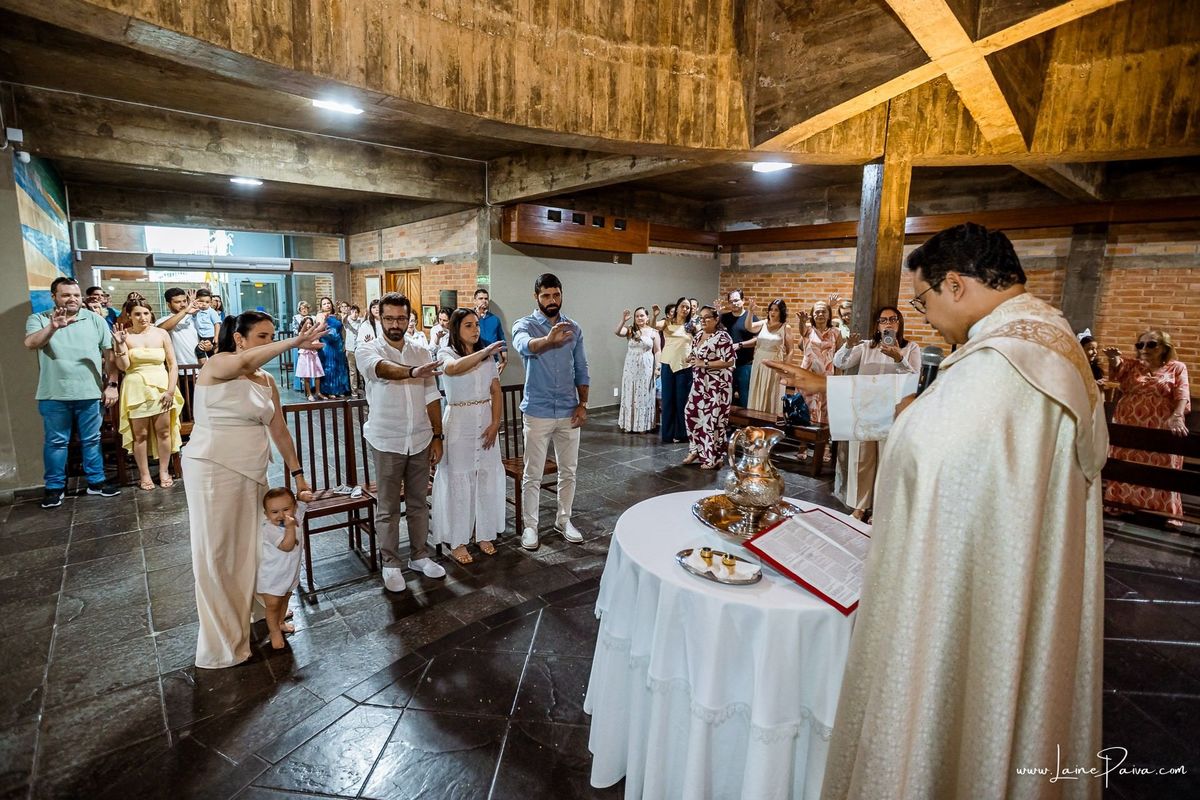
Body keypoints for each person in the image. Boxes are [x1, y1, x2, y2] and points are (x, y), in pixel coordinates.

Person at [767, 223, 1107, 799]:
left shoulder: (1006, 359)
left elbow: (930, 444)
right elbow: (936, 408)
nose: (924, 318)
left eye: (922, 301)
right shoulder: (1043, 336)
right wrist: (828, 387)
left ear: (954, 284)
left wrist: (902, 424)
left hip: (975, 580)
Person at [182, 311, 323, 668]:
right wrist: (294, 342)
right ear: (239, 339)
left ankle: (261, 615)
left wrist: (298, 473)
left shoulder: (266, 380)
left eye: (273, 336)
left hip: (253, 470)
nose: (269, 343)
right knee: (219, 553)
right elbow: (243, 362)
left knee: (254, 547)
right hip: (213, 468)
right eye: (262, 337)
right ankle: (224, 639)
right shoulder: (218, 364)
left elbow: (279, 430)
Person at [354, 292, 447, 590]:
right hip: (386, 439)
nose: (395, 324)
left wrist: (437, 435)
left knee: (419, 502)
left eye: (401, 318)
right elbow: (382, 369)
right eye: (389, 318)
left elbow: (431, 395)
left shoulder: (421, 350)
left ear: (409, 318)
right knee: (388, 507)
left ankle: (419, 556)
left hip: (420, 437)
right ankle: (391, 563)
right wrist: (412, 372)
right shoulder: (367, 349)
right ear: (379, 318)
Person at [24, 277, 122, 508]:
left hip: (90, 392)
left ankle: (96, 482)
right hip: (54, 393)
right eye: (66, 295)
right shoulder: (39, 318)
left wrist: (112, 384)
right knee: (56, 442)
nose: (72, 299)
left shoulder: (95, 319)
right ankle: (55, 488)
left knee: (92, 439)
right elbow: (31, 343)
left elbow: (109, 355)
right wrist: (53, 327)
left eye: (76, 295)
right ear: (54, 297)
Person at [511, 273, 589, 550]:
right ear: (536, 297)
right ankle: (530, 527)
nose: (552, 300)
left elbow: (581, 367)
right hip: (538, 410)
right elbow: (523, 345)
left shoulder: (573, 328)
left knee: (569, 471)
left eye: (556, 295)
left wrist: (583, 404)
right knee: (533, 473)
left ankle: (563, 519)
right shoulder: (525, 324)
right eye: (546, 295)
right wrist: (547, 340)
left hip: (569, 410)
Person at [430, 308, 506, 564]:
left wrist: (495, 423)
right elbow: (453, 369)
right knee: (458, 479)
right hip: (459, 422)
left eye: (477, 325)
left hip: (484, 419)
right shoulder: (446, 352)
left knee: (485, 476)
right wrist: (485, 352)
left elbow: (496, 391)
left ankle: (484, 533)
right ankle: (458, 540)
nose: (475, 330)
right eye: (468, 325)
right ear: (456, 328)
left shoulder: (486, 356)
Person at [830, 306, 919, 519]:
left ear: (899, 323)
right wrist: (848, 346)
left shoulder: (910, 348)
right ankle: (860, 507)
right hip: (866, 408)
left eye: (893, 319)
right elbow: (839, 362)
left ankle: (880, 509)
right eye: (883, 320)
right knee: (861, 459)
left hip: (893, 411)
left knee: (887, 460)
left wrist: (899, 359)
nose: (888, 323)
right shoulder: (866, 346)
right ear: (877, 325)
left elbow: (914, 378)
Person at [1103, 330, 1191, 521]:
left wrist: (1177, 415)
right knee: (1126, 460)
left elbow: (1182, 393)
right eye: (1140, 345)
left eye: (1151, 344)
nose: (1144, 348)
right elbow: (1117, 370)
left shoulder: (1177, 367)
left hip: (1161, 422)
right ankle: (1120, 503)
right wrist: (1113, 359)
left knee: (1162, 462)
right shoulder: (1132, 365)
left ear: (1165, 347)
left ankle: (1163, 510)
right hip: (1129, 420)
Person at [112, 299, 185, 491]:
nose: (142, 317)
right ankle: (144, 474)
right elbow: (124, 367)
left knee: (164, 431)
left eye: (145, 313)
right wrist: (120, 345)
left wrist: (170, 390)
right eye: (137, 314)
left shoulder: (161, 333)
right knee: (140, 434)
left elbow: (172, 364)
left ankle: (163, 471)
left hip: (161, 386)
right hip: (136, 387)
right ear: (129, 315)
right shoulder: (125, 335)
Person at [258, 486, 314, 650]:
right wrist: (290, 528)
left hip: (290, 573)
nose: (281, 515)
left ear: (294, 508)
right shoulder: (269, 528)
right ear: (266, 514)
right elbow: (287, 546)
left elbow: (303, 501)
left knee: (285, 599)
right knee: (273, 605)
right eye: (274, 512)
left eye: (286, 509)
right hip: (272, 577)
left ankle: (281, 622)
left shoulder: (296, 515)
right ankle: (274, 632)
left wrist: (302, 495)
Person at [682, 307, 735, 469]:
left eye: (707, 318)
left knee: (712, 420)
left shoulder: (723, 337)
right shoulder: (698, 335)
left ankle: (713, 457)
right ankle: (696, 450)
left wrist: (704, 363)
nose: (703, 321)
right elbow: (696, 355)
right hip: (699, 383)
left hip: (717, 385)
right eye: (701, 318)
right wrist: (691, 358)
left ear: (716, 319)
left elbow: (729, 361)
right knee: (690, 414)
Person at [652, 299, 693, 443]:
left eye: (688, 307)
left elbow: (702, 336)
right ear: (677, 308)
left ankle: (682, 434)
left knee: (682, 401)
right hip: (668, 364)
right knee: (668, 400)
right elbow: (653, 326)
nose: (685, 309)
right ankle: (668, 434)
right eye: (683, 306)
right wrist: (655, 316)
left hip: (684, 366)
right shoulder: (667, 323)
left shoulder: (691, 325)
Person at [744, 298, 793, 416]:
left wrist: (785, 369)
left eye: (776, 310)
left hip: (775, 363)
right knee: (757, 390)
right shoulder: (763, 323)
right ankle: (755, 420)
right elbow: (749, 327)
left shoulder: (785, 327)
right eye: (771, 309)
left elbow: (790, 350)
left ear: (781, 312)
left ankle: (771, 421)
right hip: (759, 362)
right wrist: (750, 312)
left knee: (772, 392)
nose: (773, 312)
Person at [615, 307, 660, 433]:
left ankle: (642, 425)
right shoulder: (631, 330)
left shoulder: (653, 332)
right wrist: (623, 320)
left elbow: (657, 351)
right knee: (630, 393)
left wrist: (658, 367)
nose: (639, 318)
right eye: (637, 316)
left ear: (647, 317)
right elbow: (617, 332)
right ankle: (629, 424)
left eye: (642, 315)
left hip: (646, 367)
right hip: (630, 367)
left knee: (644, 395)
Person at [798, 299, 842, 425]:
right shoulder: (808, 330)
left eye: (823, 312)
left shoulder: (836, 332)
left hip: (827, 376)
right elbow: (801, 334)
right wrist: (802, 322)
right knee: (806, 407)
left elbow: (839, 357)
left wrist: (838, 377)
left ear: (829, 315)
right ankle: (804, 435)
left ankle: (821, 435)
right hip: (808, 375)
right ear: (812, 315)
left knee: (824, 409)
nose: (820, 314)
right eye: (817, 312)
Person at [718, 289, 758, 408]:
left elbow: (758, 340)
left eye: (736, 300)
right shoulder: (723, 317)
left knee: (745, 399)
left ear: (743, 300)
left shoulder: (751, 317)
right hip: (725, 365)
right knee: (725, 399)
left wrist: (740, 345)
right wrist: (717, 312)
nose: (734, 304)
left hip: (744, 365)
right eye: (731, 301)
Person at [314, 296, 350, 396]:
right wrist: (325, 319)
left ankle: (340, 389)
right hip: (327, 343)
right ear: (321, 306)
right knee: (329, 366)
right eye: (324, 304)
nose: (327, 305)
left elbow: (342, 329)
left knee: (339, 366)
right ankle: (329, 391)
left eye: (328, 303)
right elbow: (320, 329)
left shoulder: (336, 316)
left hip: (338, 343)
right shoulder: (320, 315)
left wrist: (344, 342)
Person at [157, 288, 201, 368]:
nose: (183, 304)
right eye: (178, 302)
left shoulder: (193, 317)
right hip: (179, 368)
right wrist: (186, 311)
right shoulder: (163, 320)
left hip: (200, 367)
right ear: (168, 304)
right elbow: (161, 329)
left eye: (184, 301)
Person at [473, 288, 509, 376]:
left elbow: (502, 341)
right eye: (480, 298)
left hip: (493, 362)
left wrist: (505, 361)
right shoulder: (468, 318)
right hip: (474, 362)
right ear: (475, 301)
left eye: (486, 299)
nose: (484, 301)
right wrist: (477, 316)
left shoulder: (495, 319)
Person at [294, 316, 326, 400]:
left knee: (317, 374)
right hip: (305, 355)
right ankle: (309, 394)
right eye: (306, 323)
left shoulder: (314, 333)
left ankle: (318, 392)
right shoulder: (301, 334)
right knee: (306, 375)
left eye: (310, 323)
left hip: (314, 354)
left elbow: (317, 343)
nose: (309, 325)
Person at [192, 288, 222, 362]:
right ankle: (213, 365)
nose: (204, 304)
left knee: (199, 350)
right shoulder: (196, 311)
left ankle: (204, 366)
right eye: (201, 301)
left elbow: (217, 324)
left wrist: (216, 337)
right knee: (209, 352)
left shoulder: (211, 312)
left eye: (207, 302)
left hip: (210, 336)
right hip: (201, 336)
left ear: (210, 303)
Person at [343, 305, 363, 396]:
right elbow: (344, 321)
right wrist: (345, 314)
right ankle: (354, 390)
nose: (354, 314)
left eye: (356, 312)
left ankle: (362, 389)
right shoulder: (347, 321)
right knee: (352, 371)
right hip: (350, 349)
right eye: (352, 312)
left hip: (359, 348)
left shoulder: (360, 321)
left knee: (361, 371)